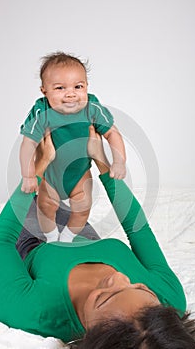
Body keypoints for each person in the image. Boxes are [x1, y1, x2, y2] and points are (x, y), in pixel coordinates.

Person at [0, 127, 195, 348]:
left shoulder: (32, 312)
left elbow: (1, 241)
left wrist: (38, 166)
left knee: (39, 198)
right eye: (141, 287)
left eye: (103, 297)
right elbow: (139, 230)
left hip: (36, 242)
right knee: (64, 192)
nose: (119, 277)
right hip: (85, 236)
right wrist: (101, 160)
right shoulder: (170, 298)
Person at [20, 52, 126, 242]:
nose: (70, 93)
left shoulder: (92, 107)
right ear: (44, 91)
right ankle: (52, 238)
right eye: (60, 88)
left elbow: (112, 133)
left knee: (83, 206)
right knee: (46, 206)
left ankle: (67, 237)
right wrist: (29, 175)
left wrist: (119, 161)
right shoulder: (41, 111)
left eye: (78, 86)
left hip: (80, 173)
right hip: (51, 175)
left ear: (86, 87)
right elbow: (28, 143)